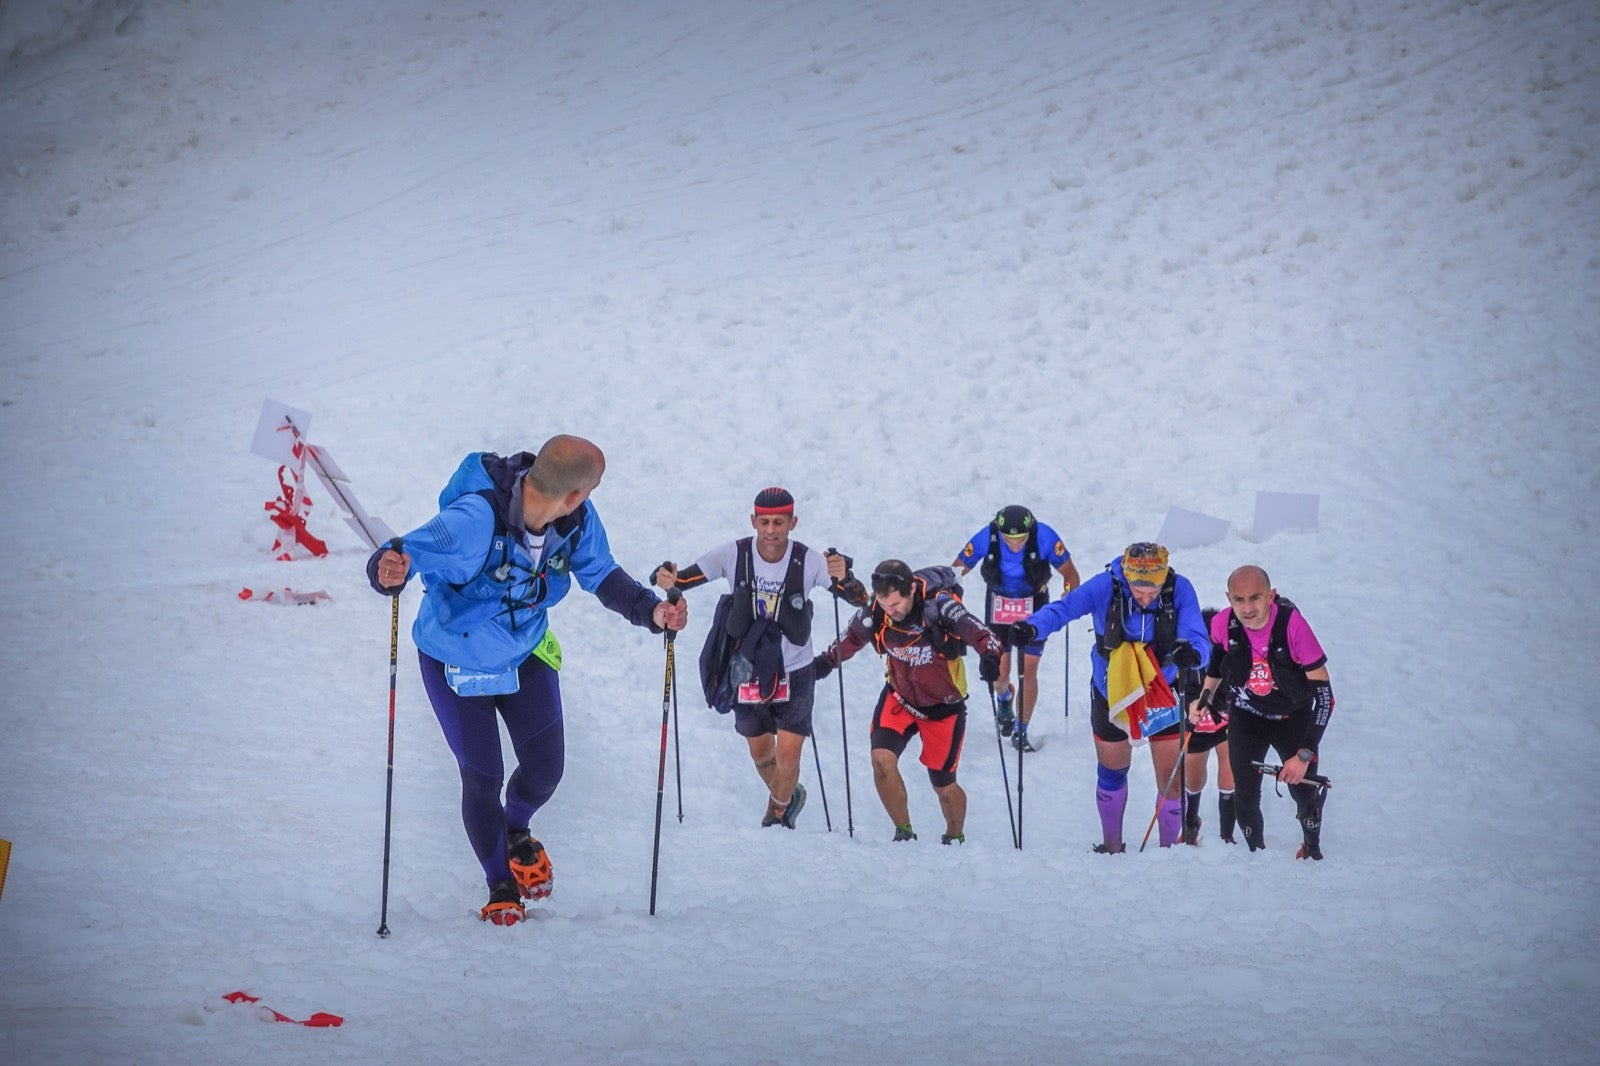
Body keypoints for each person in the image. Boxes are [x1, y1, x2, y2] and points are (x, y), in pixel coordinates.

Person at [367, 435, 688, 925]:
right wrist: (388, 569)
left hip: (525, 652)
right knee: (484, 777)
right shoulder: (475, 521)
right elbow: (404, 554)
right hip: (457, 661)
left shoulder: (575, 521)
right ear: (575, 493)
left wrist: (652, 611)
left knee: (545, 770)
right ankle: (500, 885)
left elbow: (600, 573)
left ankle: (516, 830)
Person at [650, 487, 866, 829]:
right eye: (764, 522)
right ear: (753, 521)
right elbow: (685, 579)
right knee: (762, 754)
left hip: (796, 670)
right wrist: (667, 578)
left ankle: (777, 816)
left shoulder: (808, 559)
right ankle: (789, 796)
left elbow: (857, 598)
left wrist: (845, 576)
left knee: (789, 755)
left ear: (792, 522)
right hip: (747, 668)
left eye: (778, 522)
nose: (770, 530)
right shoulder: (734, 553)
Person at [1007, 543, 1209, 853]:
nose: (1146, 598)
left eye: (1153, 590)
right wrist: (1031, 629)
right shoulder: (1106, 585)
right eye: (1139, 590)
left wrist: (1192, 654)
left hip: (1163, 692)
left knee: (1172, 779)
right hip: (1112, 692)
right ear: (1126, 577)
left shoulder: (1179, 588)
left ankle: (1171, 851)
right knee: (1112, 773)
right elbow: (1064, 609)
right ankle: (1111, 846)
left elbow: (1198, 635)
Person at [812, 561, 1004, 844]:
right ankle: (903, 831)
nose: (892, 611)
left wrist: (990, 655)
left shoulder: (940, 605)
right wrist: (825, 663)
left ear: (911, 589)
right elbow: (851, 637)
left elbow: (980, 632)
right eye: (884, 604)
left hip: (943, 707)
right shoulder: (877, 610)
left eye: (897, 603)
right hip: (899, 697)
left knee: (943, 785)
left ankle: (955, 836)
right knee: (881, 760)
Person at [1189, 565, 1334, 859]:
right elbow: (1218, 656)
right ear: (1228, 599)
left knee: (1304, 792)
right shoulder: (1223, 623)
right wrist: (1206, 695)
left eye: (1255, 598)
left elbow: (1325, 699)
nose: (1247, 608)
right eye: (1239, 600)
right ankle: (1257, 859)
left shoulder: (1293, 627)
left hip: (1292, 717)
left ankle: (1312, 849)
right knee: (1245, 795)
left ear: (1271, 595)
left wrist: (1304, 755)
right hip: (1247, 715)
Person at [953, 504, 1080, 752]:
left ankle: (1021, 731)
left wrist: (1068, 599)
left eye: (1020, 539)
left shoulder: (1045, 536)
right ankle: (1004, 698)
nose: (1014, 545)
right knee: (1000, 676)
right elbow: (956, 570)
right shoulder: (987, 536)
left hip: (1034, 606)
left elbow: (1070, 574)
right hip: (999, 604)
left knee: (1028, 671)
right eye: (1008, 540)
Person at [1180, 610, 1234, 845]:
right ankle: (1191, 823)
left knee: (1229, 774)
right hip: (1197, 725)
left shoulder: (1229, 654)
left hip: (1225, 721)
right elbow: (1176, 689)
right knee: (1193, 778)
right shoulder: (1187, 658)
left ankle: (1227, 835)